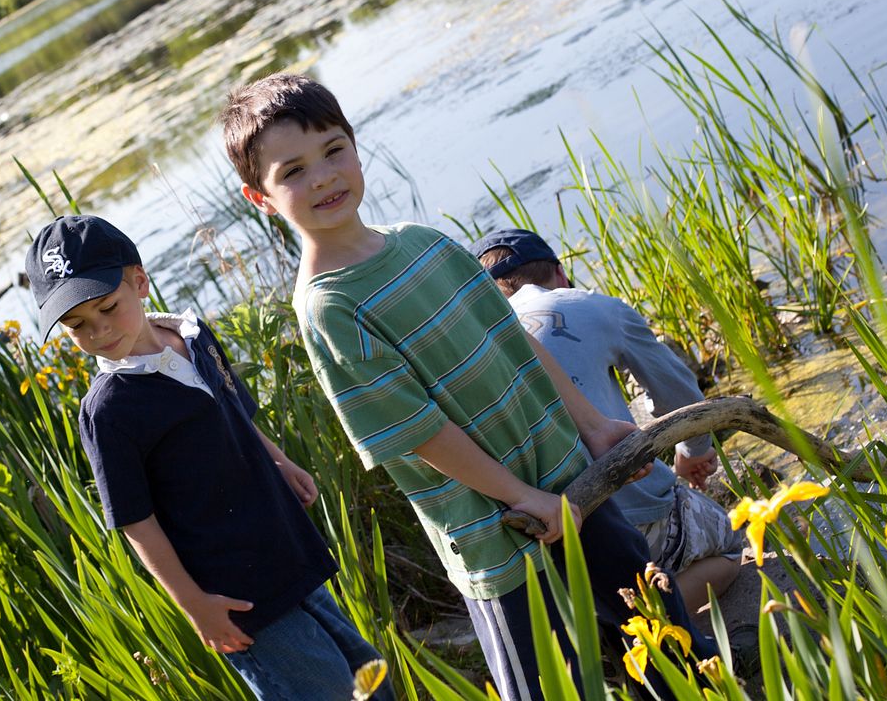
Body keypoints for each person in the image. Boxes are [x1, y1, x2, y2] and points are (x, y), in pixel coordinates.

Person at [219, 73, 715, 701]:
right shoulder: (329, 310)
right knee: (551, 685)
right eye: (292, 171)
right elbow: (417, 432)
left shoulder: (425, 246)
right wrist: (521, 498)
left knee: (667, 643)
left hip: (568, 482)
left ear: (354, 145)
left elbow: (515, 341)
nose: (322, 177)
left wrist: (593, 425)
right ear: (260, 198)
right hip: (497, 529)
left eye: (333, 150)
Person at [27, 214, 392, 701]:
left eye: (108, 307)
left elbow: (235, 412)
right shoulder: (109, 410)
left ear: (139, 281)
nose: (97, 331)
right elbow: (136, 521)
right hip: (234, 593)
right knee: (323, 691)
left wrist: (279, 461)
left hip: (285, 546)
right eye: (76, 325)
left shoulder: (194, 337)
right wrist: (194, 604)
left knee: (367, 674)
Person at [471, 228, 746, 615]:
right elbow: (678, 391)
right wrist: (692, 453)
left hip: (548, 543)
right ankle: (652, 623)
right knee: (733, 546)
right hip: (636, 520)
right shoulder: (592, 305)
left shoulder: (476, 343)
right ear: (559, 272)